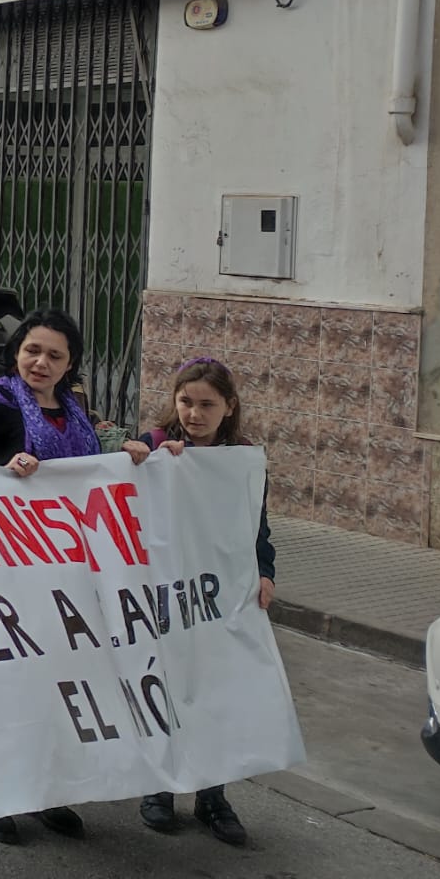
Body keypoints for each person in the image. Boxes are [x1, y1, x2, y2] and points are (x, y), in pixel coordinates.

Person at [0, 308, 149, 845]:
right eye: (32, 350)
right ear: (17, 351)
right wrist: (3, 473)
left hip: (68, 572)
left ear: (70, 365)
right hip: (5, 569)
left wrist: (128, 450)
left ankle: (44, 789)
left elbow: (90, 466)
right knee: (5, 684)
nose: (41, 362)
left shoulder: (73, 408)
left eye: (54, 355)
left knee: (56, 683)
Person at [124, 357, 276, 847]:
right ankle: (159, 788)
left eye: (207, 404)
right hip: (165, 593)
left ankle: (213, 796)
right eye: (186, 401)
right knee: (164, 686)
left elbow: (256, 524)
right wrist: (143, 459)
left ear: (228, 407)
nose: (194, 413)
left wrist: (266, 571)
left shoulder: (243, 459)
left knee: (215, 692)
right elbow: (118, 483)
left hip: (219, 595)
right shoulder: (155, 444)